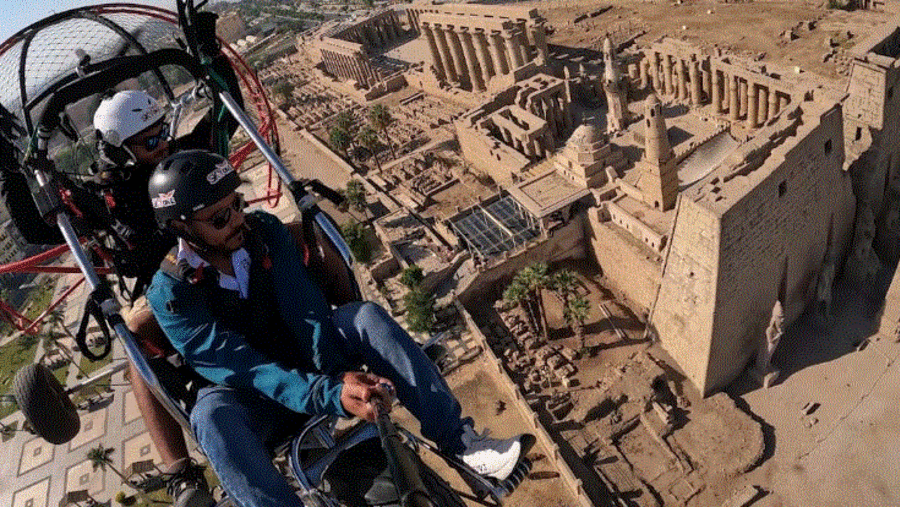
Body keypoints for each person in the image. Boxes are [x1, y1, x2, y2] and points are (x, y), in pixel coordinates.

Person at [145, 150, 532, 507]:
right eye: (219, 218)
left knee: (363, 317)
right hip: (259, 400)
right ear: (182, 227)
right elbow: (243, 367)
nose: (236, 220)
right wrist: (327, 393)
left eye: (237, 205)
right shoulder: (173, 293)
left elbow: (303, 306)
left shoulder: (262, 232)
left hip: (310, 362)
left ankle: (463, 446)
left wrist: (334, 370)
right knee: (211, 416)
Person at [0, 17, 241, 504]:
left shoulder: (190, 155)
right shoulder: (105, 199)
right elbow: (33, 226)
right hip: (167, 293)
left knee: (303, 237)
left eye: (163, 132)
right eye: (150, 141)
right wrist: (10, 168)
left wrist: (210, 55)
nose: (164, 144)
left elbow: (225, 116)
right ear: (120, 150)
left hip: (230, 260)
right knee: (136, 342)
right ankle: (180, 472)